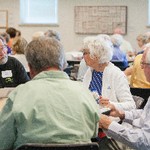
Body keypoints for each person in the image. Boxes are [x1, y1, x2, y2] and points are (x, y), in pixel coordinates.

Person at [0, 37, 100, 149]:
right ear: (63, 64)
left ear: (30, 68)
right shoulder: (85, 93)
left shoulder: (18, 96)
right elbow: (94, 133)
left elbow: (3, 142)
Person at [82, 37, 135, 149]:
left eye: (85, 53)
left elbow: (131, 105)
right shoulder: (90, 72)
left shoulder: (116, 74)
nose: (83, 56)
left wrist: (112, 104)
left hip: (107, 130)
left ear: (95, 55)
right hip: (90, 123)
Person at [99, 43, 150, 150]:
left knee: (102, 144)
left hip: (142, 143)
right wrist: (122, 114)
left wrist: (110, 125)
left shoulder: (115, 73)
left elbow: (145, 141)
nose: (140, 67)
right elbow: (145, 114)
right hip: (140, 136)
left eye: (143, 63)